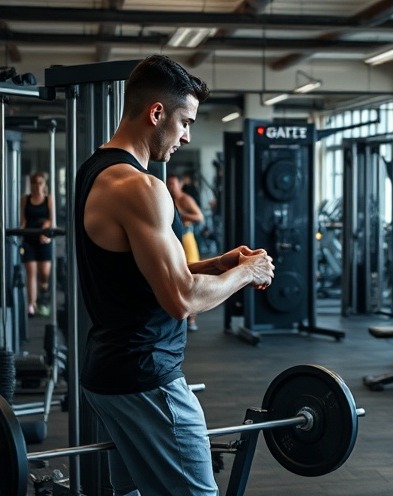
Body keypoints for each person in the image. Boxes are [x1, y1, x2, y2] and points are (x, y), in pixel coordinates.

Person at [74, 54, 275, 495]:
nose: (186, 135)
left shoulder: (95, 171)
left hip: (107, 375)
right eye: (185, 122)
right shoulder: (142, 188)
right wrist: (248, 272)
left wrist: (215, 264)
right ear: (156, 113)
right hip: (148, 378)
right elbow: (181, 300)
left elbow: (131, 271)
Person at [167, 173, 205, 331]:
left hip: (187, 238)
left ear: (180, 185)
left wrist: (181, 214)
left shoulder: (185, 200)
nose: (170, 187)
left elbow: (199, 217)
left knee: (191, 273)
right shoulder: (166, 198)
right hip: (173, 239)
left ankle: (192, 319)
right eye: (168, 184)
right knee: (175, 274)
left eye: (173, 184)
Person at [20, 171, 55, 317]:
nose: (37, 186)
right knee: (31, 272)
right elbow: (23, 220)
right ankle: (31, 305)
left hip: (43, 239)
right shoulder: (25, 199)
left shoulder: (48, 199)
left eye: (40, 183)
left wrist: (46, 226)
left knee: (44, 273)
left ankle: (44, 290)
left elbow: (52, 220)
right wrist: (19, 232)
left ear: (44, 184)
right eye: (34, 183)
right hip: (29, 239)